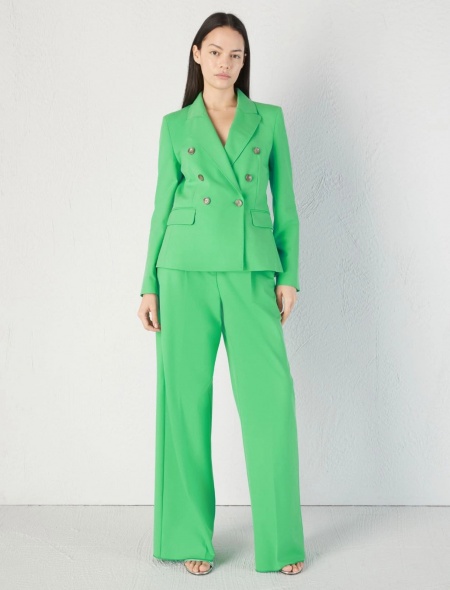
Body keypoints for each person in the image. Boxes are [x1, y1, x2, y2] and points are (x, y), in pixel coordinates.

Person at [137, 12, 305, 576]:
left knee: (271, 402)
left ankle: (281, 542)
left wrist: (288, 275)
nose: (225, 63)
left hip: (252, 271)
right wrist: (148, 284)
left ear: (244, 61)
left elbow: (287, 204)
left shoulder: (268, 119)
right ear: (197, 54)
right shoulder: (175, 126)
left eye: (236, 54)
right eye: (215, 51)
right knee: (184, 404)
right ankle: (189, 536)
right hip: (182, 270)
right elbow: (161, 207)